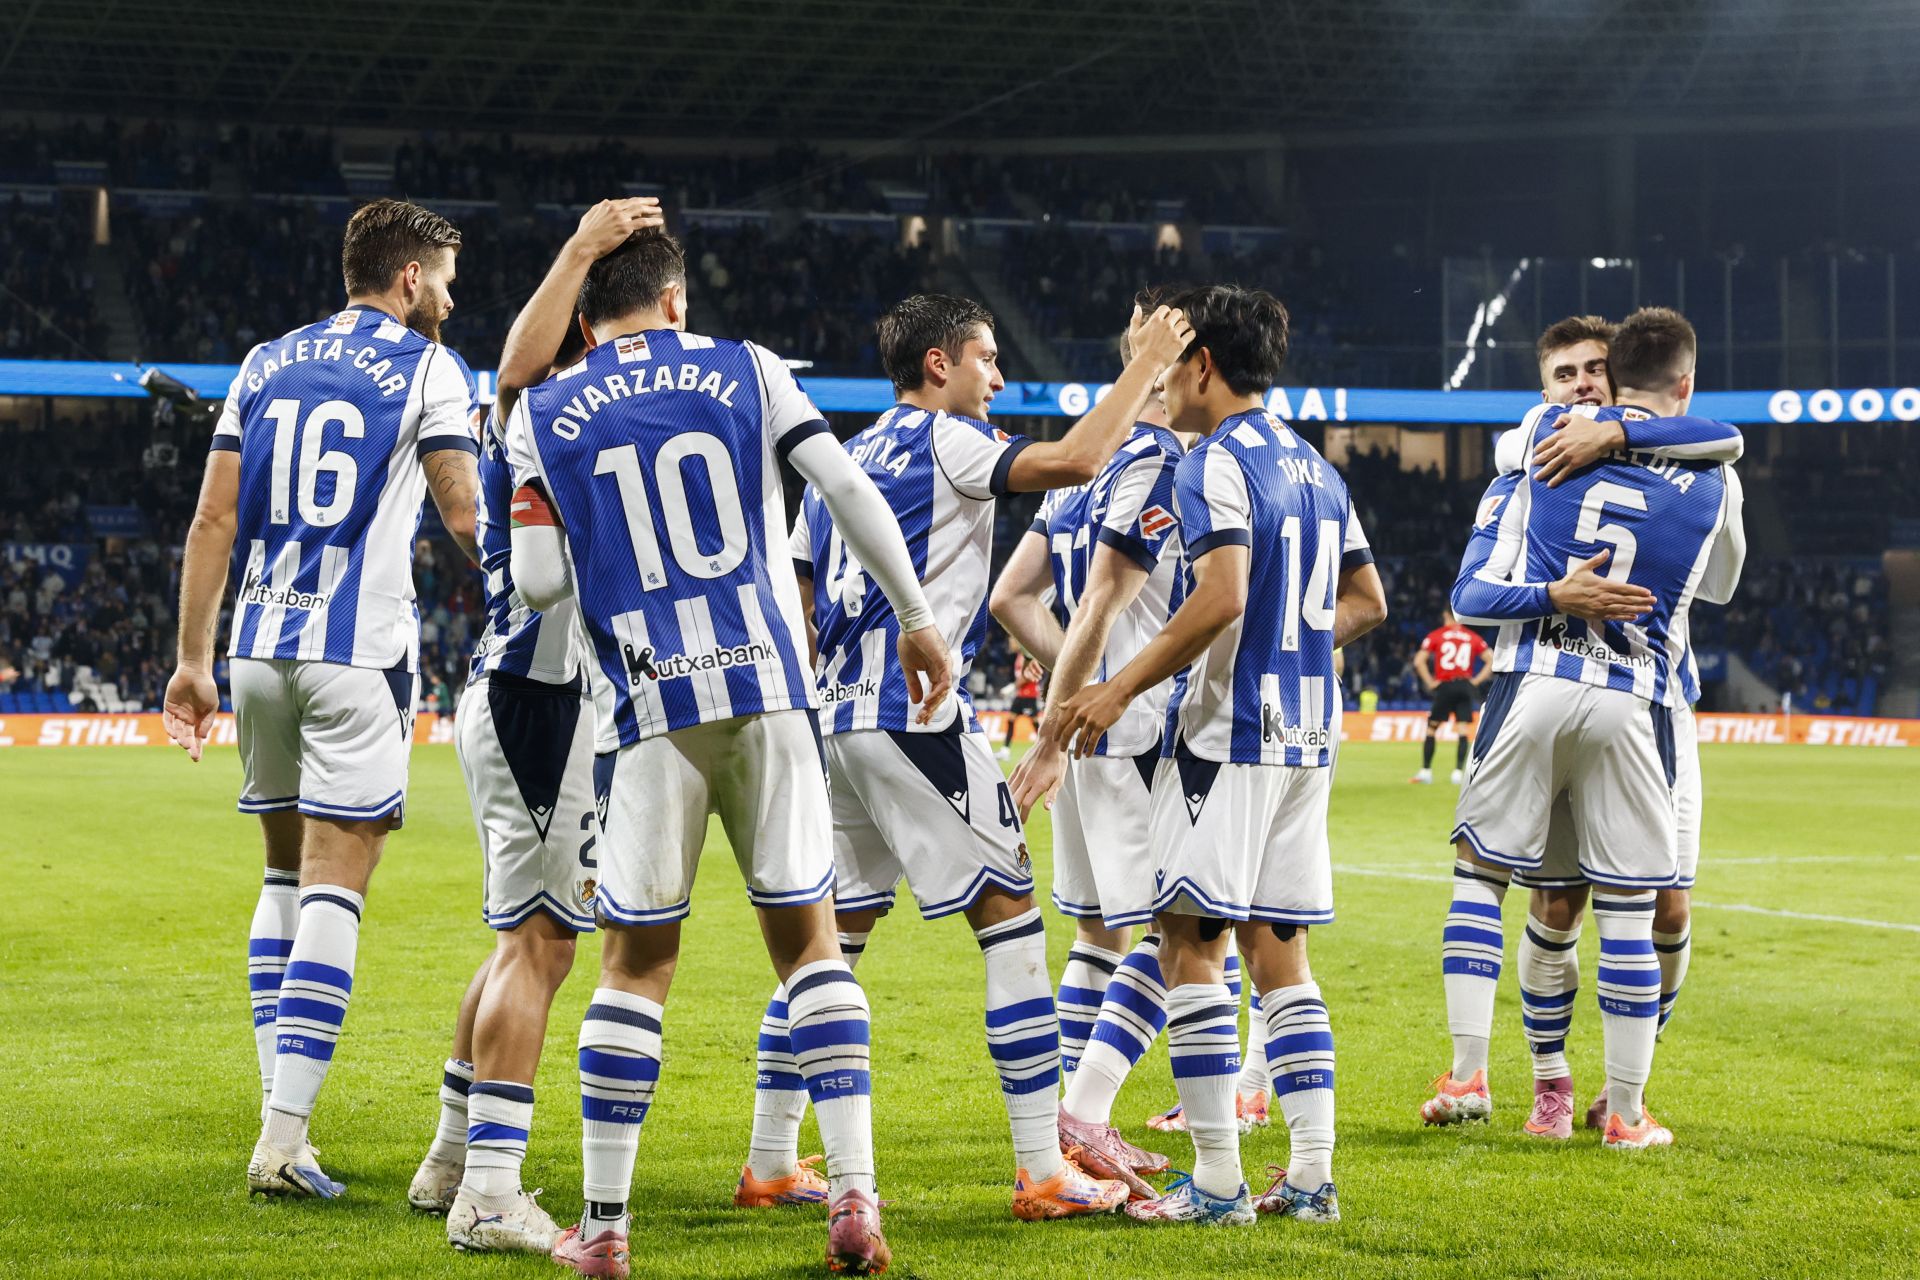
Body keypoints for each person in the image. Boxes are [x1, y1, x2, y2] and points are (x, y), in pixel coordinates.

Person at [505, 229, 949, 1277]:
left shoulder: (542, 411)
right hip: (768, 689)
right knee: (810, 947)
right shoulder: (748, 366)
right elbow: (843, 488)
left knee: (635, 965)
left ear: (585, 320)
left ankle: (604, 1230)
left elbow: (536, 583)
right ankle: (855, 1195)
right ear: (674, 300)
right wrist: (916, 617)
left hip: (647, 706)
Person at [739, 294, 1193, 1223]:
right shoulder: (949, 441)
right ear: (938, 364)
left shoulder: (840, 462)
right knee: (1013, 924)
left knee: (828, 948)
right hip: (916, 716)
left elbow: (797, 598)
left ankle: (772, 1160)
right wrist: (1144, 365)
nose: (998, 378)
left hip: (836, 722)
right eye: (987, 359)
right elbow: (1077, 459)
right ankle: (1043, 1169)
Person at [1048, 284, 1388, 1226]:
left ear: (1201, 364)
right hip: (1306, 738)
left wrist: (1119, 687)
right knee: (1281, 958)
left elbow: (1223, 593)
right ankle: (1311, 1180)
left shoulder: (1211, 462)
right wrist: (1295, 648)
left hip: (1226, 739)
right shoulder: (1317, 468)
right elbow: (1368, 603)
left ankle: (1217, 1184)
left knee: (1189, 948)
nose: (1159, 377)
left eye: (1169, 362)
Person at [162, 198, 480, 1199]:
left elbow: (213, 519)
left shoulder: (263, 362)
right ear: (411, 278)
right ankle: (282, 1139)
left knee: (282, 877)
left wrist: (192, 661)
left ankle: (279, 1115)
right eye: (446, 281)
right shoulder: (430, 369)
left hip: (257, 648)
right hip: (358, 654)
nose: (452, 300)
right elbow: (462, 510)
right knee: (338, 884)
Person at [407, 198, 665, 1253]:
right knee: (544, 945)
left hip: (524, 696)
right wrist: (582, 247)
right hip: (538, 703)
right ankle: (489, 1193)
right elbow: (517, 367)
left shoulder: (541, 425)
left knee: (524, 936)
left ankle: (450, 1157)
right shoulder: (542, 412)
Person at [1422, 315, 1744, 1138]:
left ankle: (1614, 1091)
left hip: (1647, 704)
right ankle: (1554, 1086)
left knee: (1663, 907)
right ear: (1545, 390)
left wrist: (1621, 435)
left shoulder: (1561, 450)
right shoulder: (1555, 452)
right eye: (1563, 376)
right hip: (1623, 696)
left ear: (1618, 376)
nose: (1580, 387)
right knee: (1566, 903)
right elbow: (1720, 542)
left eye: (1593, 370)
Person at [1409, 607, 1489, 785]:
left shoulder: (1437, 635)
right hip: (1464, 685)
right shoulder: (1472, 637)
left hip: (1445, 685)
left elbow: (1418, 660)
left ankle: (1426, 771)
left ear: (1445, 615)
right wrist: (1475, 681)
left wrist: (1430, 682)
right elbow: (1491, 660)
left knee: (1432, 728)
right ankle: (1458, 773)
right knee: (1462, 729)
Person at [996, 654, 1043, 760]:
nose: (1010, 645)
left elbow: (1028, 676)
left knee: (1035, 723)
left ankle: (1044, 748)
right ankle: (1005, 751)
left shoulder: (1028, 655)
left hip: (1029, 696)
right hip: (1020, 695)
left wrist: (1012, 687)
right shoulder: (1019, 656)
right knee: (1010, 720)